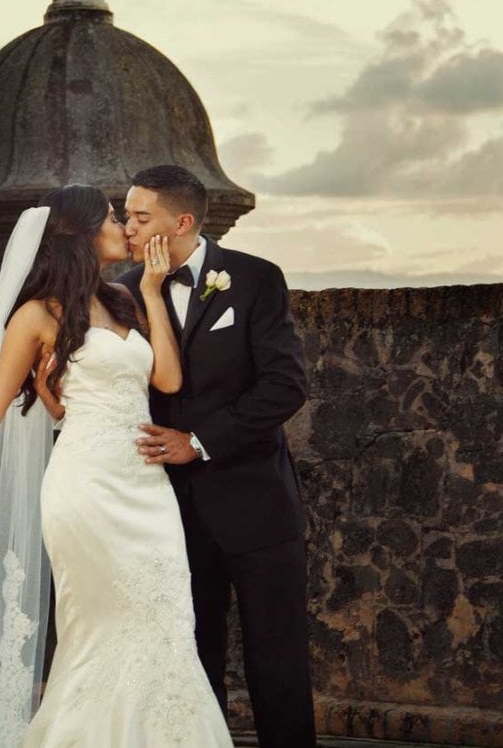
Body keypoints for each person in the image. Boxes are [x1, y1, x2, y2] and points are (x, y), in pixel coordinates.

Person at [0, 184, 233, 748]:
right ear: (80, 234)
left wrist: (149, 290)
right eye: (113, 219)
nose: (126, 227)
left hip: (146, 488)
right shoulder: (36, 315)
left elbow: (167, 379)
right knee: (96, 631)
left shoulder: (124, 298)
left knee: (166, 623)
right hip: (86, 489)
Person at [119, 165, 316, 748]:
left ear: (181, 222)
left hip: (257, 504)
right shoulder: (125, 292)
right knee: (189, 661)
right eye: (126, 215)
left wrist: (198, 442)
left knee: (277, 662)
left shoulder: (255, 279)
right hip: (169, 514)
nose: (127, 226)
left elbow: (284, 386)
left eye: (139, 216)